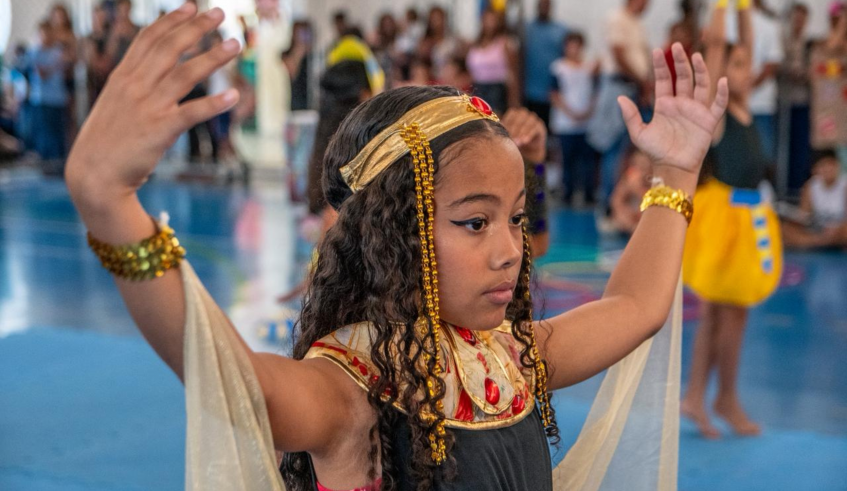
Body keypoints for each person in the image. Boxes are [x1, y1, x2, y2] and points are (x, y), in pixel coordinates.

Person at [65, 4, 726, 490]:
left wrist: (675, 174)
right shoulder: (351, 388)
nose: (509, 250)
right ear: (396, 232)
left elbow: (638, 304)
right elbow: (237, 381)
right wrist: (111, 206)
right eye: (474, 222)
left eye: (516, 218)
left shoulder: (511, 358)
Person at [681, 0, 783, 440]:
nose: (747, 69)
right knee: (728, 315)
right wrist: (722, 6)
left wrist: (744, 7)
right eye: (736, 65)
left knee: (720, 317)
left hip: (746, 219)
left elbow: (748, 44)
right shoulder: (718, 112)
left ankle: (702, 396)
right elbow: (718, 43)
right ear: (724, 73)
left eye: (747, 65)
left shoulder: (746, 111)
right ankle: (722, 397)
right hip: (723, 223)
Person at [588, 0, 652, 209]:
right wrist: (642, 81)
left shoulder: (637, 24)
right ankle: (609, 205)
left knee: (627, 149)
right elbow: (619, 54)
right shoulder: (617, 19)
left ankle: (622, 204)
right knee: (613, 147)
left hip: (632, 88)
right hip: (619, 86)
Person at [550, 31, 599, 206]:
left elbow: (595, 91)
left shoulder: (589, 67)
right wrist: (570, 112)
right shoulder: (558, 67)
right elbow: (554, 94)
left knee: (587, 160)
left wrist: (589, 110)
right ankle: (567, 193)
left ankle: (588, 193)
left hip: (586, 121)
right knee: (567, 159)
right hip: (566, 122)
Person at [781, 150, 847, 249]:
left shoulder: (844, 186)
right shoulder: (810, 186)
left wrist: (837, 228)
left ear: (837, 166)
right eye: (822, 166)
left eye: (830, 165)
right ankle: (821, 242)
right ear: (815, 170)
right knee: (785, 229)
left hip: (839, 230)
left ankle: (814, 243)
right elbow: (804, 216)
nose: (827, 169)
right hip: (818, 231)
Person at [782, 2, 812, 194]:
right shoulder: (784, 41)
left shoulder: (809, 44)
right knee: (785, 147)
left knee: (801, 147)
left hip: (803, 101)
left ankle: (797, 188)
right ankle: (785, 186)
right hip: (785, 102)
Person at [747, 0, 783, 161]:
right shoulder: (727, 22)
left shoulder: (769, 25)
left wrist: (744, 88)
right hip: (732, 103)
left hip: (760, 103)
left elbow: (771, 64)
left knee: (763, 154)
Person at [28, 22, 69, 164]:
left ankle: (58, 163)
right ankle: (46, 163)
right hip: (42, 100)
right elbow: (42, 73)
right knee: (45, 135)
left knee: (58, 134)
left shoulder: (59, 51)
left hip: (58, 100)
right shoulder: (35, 52)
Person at [522, 0, 567, 128]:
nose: (544, 8)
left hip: (552, 92)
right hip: (530, 90)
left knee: (551, 130)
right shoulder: (527, 29)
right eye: (541, 5)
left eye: (546, 5)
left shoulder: (561, 30)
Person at [466, 9, 518, 114]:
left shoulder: (504, 43)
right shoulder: (475, 45)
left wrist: (514, 102)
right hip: (477, 88)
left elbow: (512, 74)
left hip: (496, 90)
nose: (489, 24)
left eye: (492, 20)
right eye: (487, 20)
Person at [610, 149, 652, 234]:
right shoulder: (629, 179)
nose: (644, 172)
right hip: (631, 217)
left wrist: (638, 191)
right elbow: (616, 200)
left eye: (646, 167)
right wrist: (625, 212)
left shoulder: (656, 181)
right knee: (620, 216)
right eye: (640, 167)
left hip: (646, 216)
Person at [418, 7, 464, 82]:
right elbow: (421, 61)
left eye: (439, 19)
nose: (436, 22)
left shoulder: (451, 40)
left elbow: (458, 62)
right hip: (430, 77)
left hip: (448, 77)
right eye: (433, 19)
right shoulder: (425, 41)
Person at [84, 4, 113, 106]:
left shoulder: (111, 36)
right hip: (93, 83)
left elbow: (109, 59)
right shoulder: (88, 38)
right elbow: (91, 61)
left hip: (109, 82)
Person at [107, 0, 141, 66]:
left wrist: (130, 34)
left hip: (135, 65)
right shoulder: (113, 30)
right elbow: (109, 55)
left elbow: (140, 50)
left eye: (126, 9)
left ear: (130, 9)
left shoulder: (138, 29)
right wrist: (115, 36)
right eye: (121, 10)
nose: (124, 13)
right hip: (118, 67)